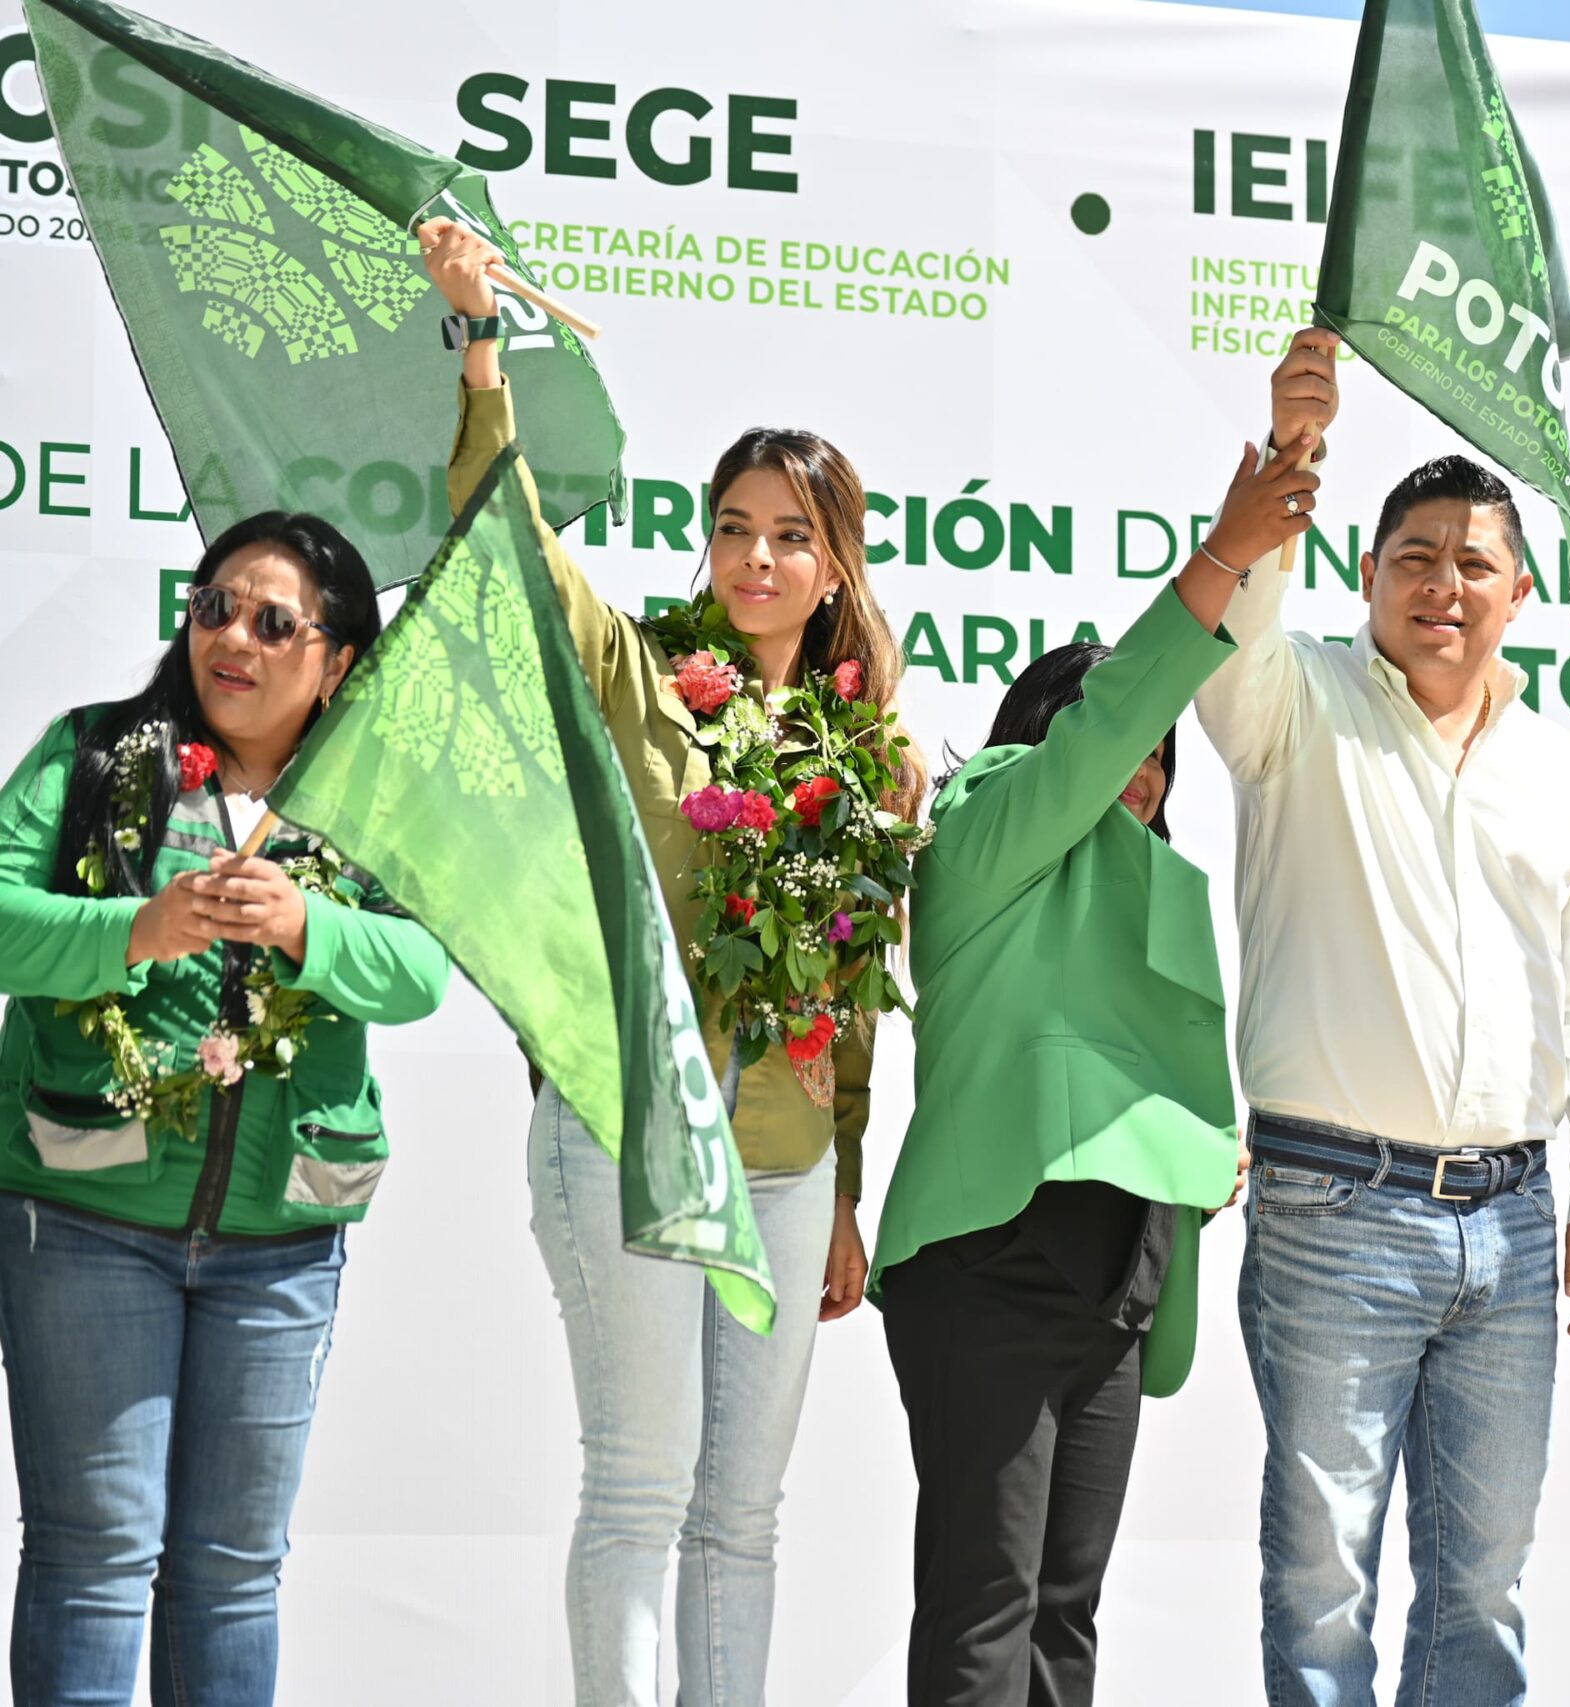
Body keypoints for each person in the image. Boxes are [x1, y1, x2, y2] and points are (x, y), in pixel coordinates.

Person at [420, 218, 917, 1705]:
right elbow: (501, 535)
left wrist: (844, 1180)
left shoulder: (868, 749)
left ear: (833, 565)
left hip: (783, 1165)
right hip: (632, 1130)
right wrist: (478, 346)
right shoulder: (643, 672)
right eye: (733, 527)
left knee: (742, 1514)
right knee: (641, 1484)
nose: (756, 557)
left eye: (790, 534)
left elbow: (854, 998)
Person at [1195, 327, 1570, 1707]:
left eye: (1472, 562)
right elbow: (1224, 641)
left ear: (1519, 588)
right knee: (1323, 1578)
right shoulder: (1296, 702)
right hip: (1335, 1204)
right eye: (1414, 557)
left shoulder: (1559, 770)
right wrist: (1290, 454)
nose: (1443, 584)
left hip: (1512, 1219)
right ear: (1367, 574)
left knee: (1483, 1582)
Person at [871, 439, 1311, 1705]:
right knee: (984, 1607)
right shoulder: (989, 826)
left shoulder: (1160, 895)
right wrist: (1226, 554)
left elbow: (1147, 1076)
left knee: (1065, 1622)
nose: (1140, 763)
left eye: (1162, 752)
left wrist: (1197, 1151)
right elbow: (1101, 724)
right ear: (1034, 740)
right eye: (1112, 732)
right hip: (992, 1259)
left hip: (1119, 1276)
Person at [0, 512, 449, 1705]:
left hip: (282, 1247)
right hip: (85, 1222)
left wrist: (309, 928)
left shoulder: (369, 798)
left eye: (273, 622)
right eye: (213, 608)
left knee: (234, 1575)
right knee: (95, 1561)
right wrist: (136, 929)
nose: (231, 640)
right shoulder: (95, 758)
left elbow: (419, 974)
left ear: (338, 659)